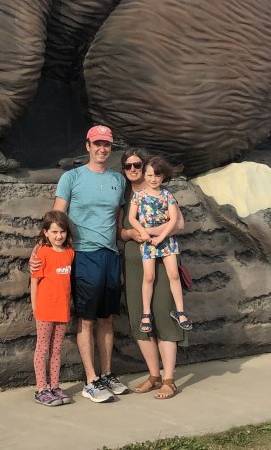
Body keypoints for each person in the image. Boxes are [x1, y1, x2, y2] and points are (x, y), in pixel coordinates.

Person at [51, 125, 128, 403]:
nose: (102, 149)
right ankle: (91, 380)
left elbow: (118, 222)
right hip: (83, 255)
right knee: (87, 318)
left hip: (110, 256)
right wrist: (46, 251)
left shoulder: (118, 181)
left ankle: (106, 373)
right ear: (87, 146)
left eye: (106, 144)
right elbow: (57, 218)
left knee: (107, 318)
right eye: (97, 144)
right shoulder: (71, 178)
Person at [119, 149, 188, 400]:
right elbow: (121, 229)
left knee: (164, 314)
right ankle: (154, 375)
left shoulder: (162, 193)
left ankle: (169, 379)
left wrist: (153, 231)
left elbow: (178, 223)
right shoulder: (124, 194)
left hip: (163, 257)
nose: (134, 169)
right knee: (141, 317)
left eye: (138, 165)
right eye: (129, 166)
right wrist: (131, 234)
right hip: (137, 264)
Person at [128, 155, 191, 334]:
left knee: (173, 274)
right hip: (148, 242)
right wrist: (143, 232)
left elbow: (174, 220)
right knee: (148, 276)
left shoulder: (167, 195)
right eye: (149, 175)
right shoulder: (138, 196)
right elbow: (132, 218)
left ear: (163, 177)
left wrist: (161, 236)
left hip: (167, 241)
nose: (153, 179)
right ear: (144, 175)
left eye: (157, 175)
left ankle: (180, 310)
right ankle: (146, 313)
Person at [30, 210, 76, 407]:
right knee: (42, 348)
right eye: (54, 232)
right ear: (46, 232)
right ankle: (42, 389)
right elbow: (34, 282)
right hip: (45, 310)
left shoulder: (70, 253)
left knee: (56, 349)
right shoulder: (42, 253)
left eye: (62, 232)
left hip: (62, 309)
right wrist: (35, 307)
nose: (59, 236)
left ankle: (55, 386)